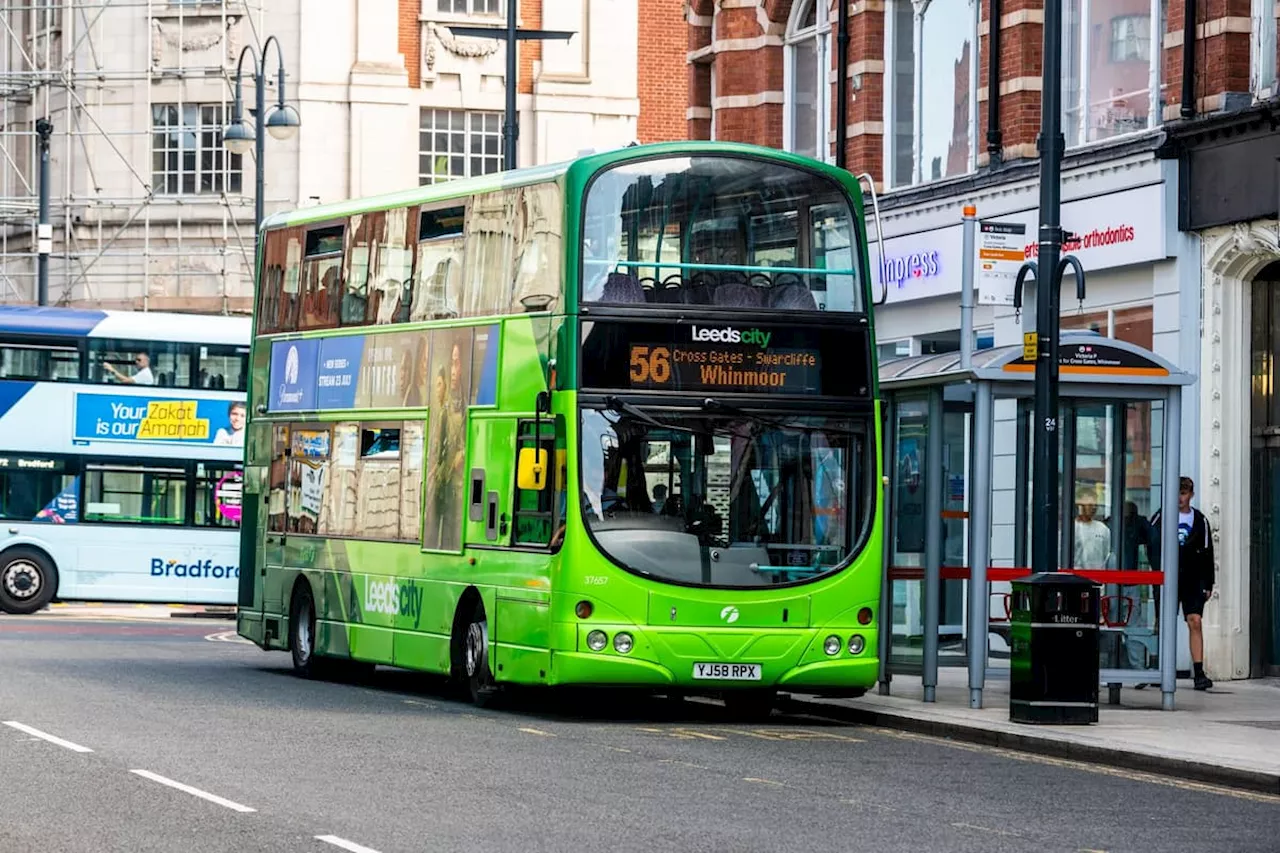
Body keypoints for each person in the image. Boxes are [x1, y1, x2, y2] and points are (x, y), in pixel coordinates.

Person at [1150, 476, 1216, 690]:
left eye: (1184, 493)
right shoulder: (1162, 516)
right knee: (1163, 621)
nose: (1180, 498)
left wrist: (1208, 583)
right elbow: (1152, 543)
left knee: (1195, 620)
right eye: (1177, 493)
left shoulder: (1200, 520)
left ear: (1191, 495)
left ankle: (1199, 671)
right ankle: (1155, 665)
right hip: (1168, 576)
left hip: (1193, 578)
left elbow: (1207, 553)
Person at [1073, 487, 1112, 569]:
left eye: (1095, 505)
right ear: (1080, 506)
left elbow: (1107, 555)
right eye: (1090, 505)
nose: (1094, 508)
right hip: (1075, 576)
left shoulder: (1102, 529)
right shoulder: (1071, 528)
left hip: (1097, 576)